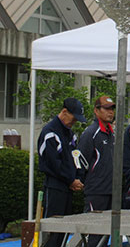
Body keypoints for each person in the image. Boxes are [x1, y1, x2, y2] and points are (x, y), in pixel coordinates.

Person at [37, 98, 86, 247]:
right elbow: (53, 164)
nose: (74, 122)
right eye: (73, 118)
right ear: (64, 112)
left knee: (64, 229)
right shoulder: (50, 133)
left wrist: (78, 177)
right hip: (55, 186)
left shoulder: (70, 134)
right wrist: (70, 180)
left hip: (67, 187)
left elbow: (75, 158)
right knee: (53, 229)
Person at [77, 96, 115, 247]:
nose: (110, 112)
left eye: (112, 108)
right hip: (96, 190)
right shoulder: (91, 132)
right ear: (96, 111)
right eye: (106, 108)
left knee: (106, 233)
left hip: (111, 191)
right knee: (95, 234)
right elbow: (80, 161)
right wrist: (82, 180)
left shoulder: (112, 133)